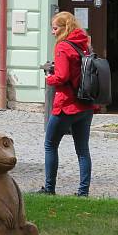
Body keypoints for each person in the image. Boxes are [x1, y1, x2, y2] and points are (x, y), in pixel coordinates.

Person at [36, 11, 96, 197]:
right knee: (82, 150)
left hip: (66, 105)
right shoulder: (84, 44)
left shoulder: (63, 47)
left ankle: (49, 188)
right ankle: (83, 192)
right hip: (85, 105)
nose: (52, 32)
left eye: (55, 28)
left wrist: (49, 78)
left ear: (64, 28)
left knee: (50, 145)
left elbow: (62, 76)